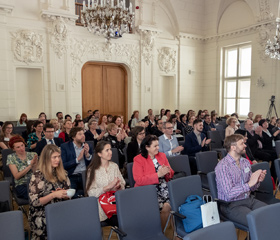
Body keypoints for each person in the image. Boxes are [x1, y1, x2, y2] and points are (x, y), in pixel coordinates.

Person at [215, 134, 267, 227]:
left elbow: (252, 188)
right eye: (242, 143)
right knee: (259, 222)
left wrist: (257, 181)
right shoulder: (223, 166)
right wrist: (249, 184)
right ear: (233, 147)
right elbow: (229, 193)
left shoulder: (245, 162)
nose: (245, 145)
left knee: (271, 214)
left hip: (248, 199)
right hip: (231, 205)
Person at [133, 135, 174, 230]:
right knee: (166, 206)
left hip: (164, 187)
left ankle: (171, 232)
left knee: (171, 204)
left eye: (158, 145)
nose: (158, 148)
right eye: (155, 146)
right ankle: (162, 232)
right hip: (148, 190)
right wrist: (157, 175)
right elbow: (138, 180)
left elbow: (171, 172)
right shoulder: (138, 159)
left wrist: (167, 172)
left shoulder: (162, 155)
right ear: (147, 147)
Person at [29, 145, 70, 239]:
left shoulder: (62, 173)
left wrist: (63, 194)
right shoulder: (37, 176)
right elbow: (35, 202)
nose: (57, 160)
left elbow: (68, 194)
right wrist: (53, 195)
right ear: (46, 158)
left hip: (60, 209)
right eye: (54, 157)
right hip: (42, 213)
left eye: (59, 157)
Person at [86, 141, 125, 226]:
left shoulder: (114, 166)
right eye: (107, 150)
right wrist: (106, 188)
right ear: (99, 154)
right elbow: (90, 192)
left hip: (115, 202)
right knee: (123, 220)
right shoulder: (92, 170)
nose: (110, 152)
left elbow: (123, 183)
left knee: (128, 216)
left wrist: (119, 186)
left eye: (110, 149)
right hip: (102, 207)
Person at [61, 127, 93, 197]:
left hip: (85, 175)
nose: (83, 136)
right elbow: (63, 165)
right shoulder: (65, 147)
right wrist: (77, 159)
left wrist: (87, 155)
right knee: (71, 196)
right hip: (72, 175)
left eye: (83, 134)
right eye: (80, 134)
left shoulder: (88, 146)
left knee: (89, 194)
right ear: (73, 137)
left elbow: (92, 164)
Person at [7, 135, 38, 199]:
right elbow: (17, 176)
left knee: (45, 192)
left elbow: (36, 173)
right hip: (22, 185)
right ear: (13, 149)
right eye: (18, 147)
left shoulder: (33, 155)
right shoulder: (11, 158)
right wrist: (30, 166)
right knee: (36, 196)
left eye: (22, 145)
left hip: (34, 182)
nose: (21, 148)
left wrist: (34, 165)